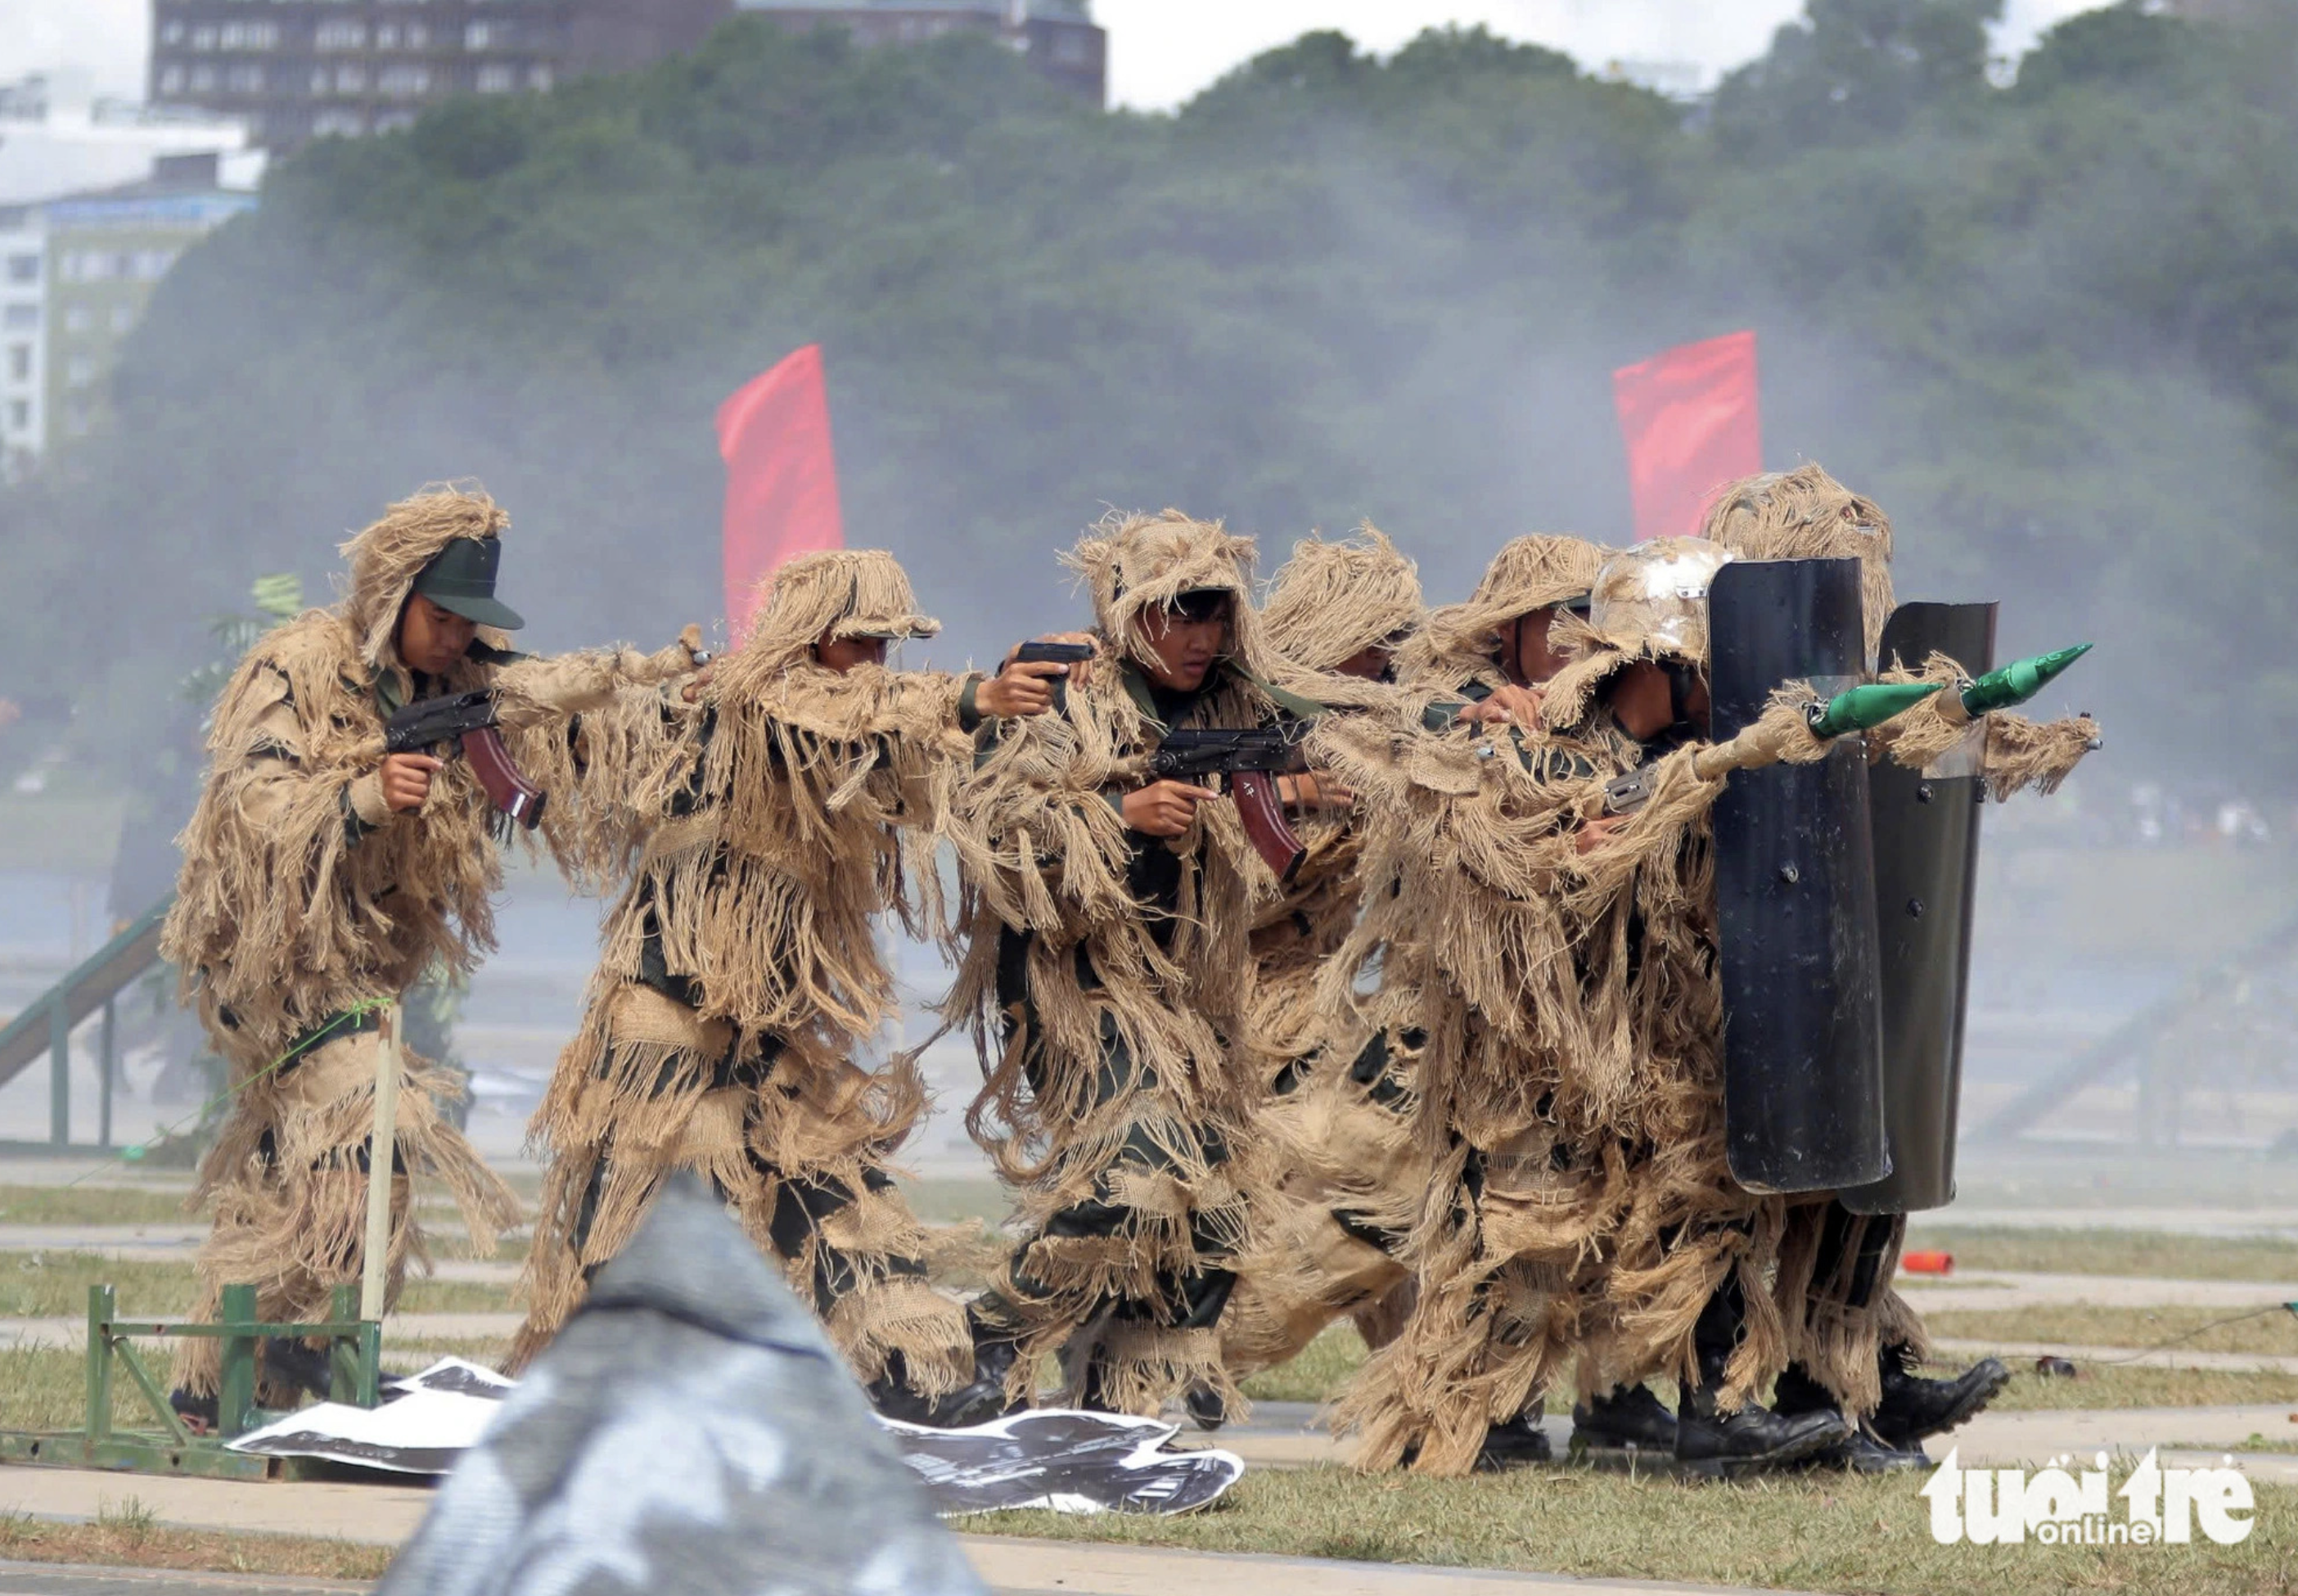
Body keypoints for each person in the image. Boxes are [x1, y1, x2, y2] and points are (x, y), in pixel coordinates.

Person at [162, 485, 696, 1423]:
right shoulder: (300, 668)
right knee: (369, 1128)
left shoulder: (460, 682)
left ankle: (223, 1382)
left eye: (466, 622)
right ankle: (295, 1349)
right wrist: (365, 796)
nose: (454, 638)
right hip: (270, 961)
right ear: (391, 594)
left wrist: (649, 677)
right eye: (439, 617)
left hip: (359, 966)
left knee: (311, 1174)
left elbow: (539, 692)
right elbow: (254, 803)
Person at [511, 549, 1068, 1427]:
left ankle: (913, 1373)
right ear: (813, 637)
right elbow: (818, 704)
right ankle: (595, 1395)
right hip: (665, 1030)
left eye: (887, 647)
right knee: (637, 1239)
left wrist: (1007, 716)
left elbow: (918, 770)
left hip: (769, 1040)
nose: (878, 663)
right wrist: (968, 696)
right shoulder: (746, 699)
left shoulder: (853, 728)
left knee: (854, 1208)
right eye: (862, 643)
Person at [944, 508, 1322, 1418]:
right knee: (1140, 1162)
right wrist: (1122, 815)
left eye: (1217, 611)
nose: (1204, 635)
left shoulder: (1240, 701)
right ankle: (991, 1336)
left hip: (1187, 995)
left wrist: (1307, 791)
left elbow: (1363, 724)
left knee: (1215, 1202)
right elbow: (992, 836)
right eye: (1180, 611)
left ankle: (1120, 1394)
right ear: (1128, 610)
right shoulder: (1063, 693)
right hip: (1074, 983)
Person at [1207, 529, 1429, 1426]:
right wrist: (1291, 804)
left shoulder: (1360, 742)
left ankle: (1419, 1381)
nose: (1392, 667)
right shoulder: (1246, 731)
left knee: (1388, 1188)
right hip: (1244, 1011)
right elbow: (1229, 899)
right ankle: (1185, 1349)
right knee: (1330, 1193)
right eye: (1383, 644)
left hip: (1324, 1001)